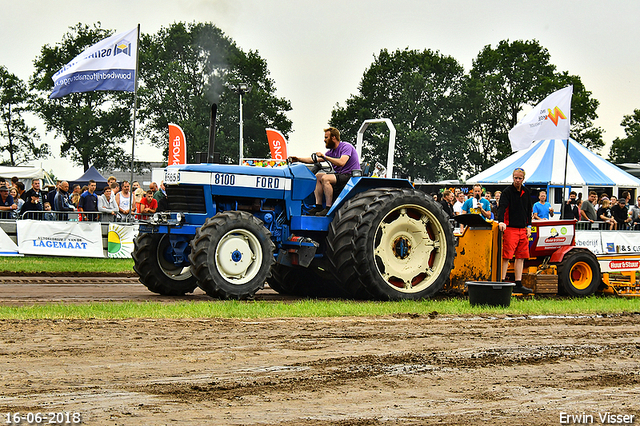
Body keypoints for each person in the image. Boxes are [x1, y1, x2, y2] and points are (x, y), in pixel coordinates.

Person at [288, 127, 361, 216]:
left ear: (333, 138)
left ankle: (328, 207)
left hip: (350, 176)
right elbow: (313, 160)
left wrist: (325, 157)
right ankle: (318, 205)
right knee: (318, 176)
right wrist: (298, 159)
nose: (324, 140)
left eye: (326, 137)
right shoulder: (331, 152)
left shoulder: (346, 147)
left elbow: (342, 162)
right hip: (339, 175)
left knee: (326, 178)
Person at [497, 167, 533, 294]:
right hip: (510, 228)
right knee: (506, 256)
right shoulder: (507, 192)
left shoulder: (526, 192)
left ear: (523, 179)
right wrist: (501, 221)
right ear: (513, 178)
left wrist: (529, 226)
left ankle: (518, 283)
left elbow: (529, 210)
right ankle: (501, 281)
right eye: (515, 178)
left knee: (521, 256)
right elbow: (502, 207)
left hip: (522, 228)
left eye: (520, 178)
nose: (517, 180)